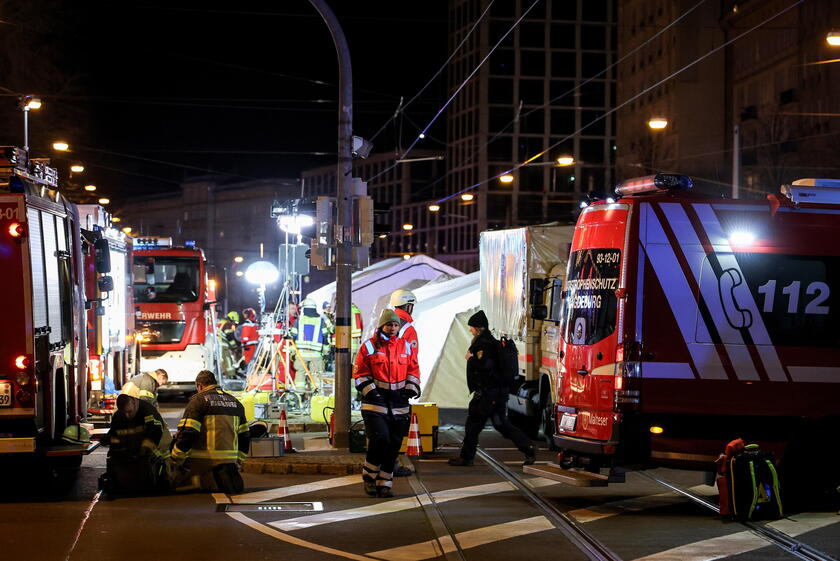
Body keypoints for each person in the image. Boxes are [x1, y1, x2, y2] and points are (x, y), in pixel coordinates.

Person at [449, 310, 536, 467]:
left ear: (479, 328)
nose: (470, 330)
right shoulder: (490, 342)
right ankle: (528, 447)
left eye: (472, 328)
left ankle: (466, 457)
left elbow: (486, 365)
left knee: (473, 424)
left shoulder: (483, 344)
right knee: (500, 424)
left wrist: (472, 358)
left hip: (488, 394)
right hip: (498, 393)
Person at [353, 309, 420, 498]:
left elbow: (414, 369)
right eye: (389, 324)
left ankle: (385, 482)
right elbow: (360, 374)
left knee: (394, 443)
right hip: (375, 402)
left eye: (396, 325)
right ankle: (369, 478)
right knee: (380, 438)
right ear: (381, 326)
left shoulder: (405, 346)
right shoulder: (368, 347)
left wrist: (411, 388)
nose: (392, 328)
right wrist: (372, 392)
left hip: (399, 402)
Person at [169, 370, 250, 493]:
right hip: (230, 462)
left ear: (199, 385)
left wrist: (175, 457)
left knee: (172, 484)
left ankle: (199, 480)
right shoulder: (236, 403)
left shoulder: (198, 401)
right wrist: (239, 460)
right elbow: (245, 435)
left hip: (202, 460)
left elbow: (189, 432)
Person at [100, 394, 168, 495]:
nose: (127, 416)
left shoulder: (148, 411)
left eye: (129, 412)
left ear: (134, 403)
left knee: (151, 461)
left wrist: (143, 450)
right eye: (124, 412)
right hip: (134, 448)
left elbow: (155, 433)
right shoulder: (119, 416)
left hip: (156, 445)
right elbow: (114, 434)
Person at [121, 369, 172, 458]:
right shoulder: (148, 382)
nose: (160, 385)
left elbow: (152, 405)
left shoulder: (147, 380)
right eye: (162, 382)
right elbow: (145, 402)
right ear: (160, 376)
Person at [289, 299, 330, 390]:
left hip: (301, 354)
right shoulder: (320, 321)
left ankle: (299, 397)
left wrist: (292, 352)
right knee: (316, 377)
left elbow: (292, 336)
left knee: (300, 375)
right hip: (316, 355)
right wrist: (327, 353)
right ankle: (316, 398)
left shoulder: (299, 320)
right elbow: (325, 338)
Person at [390, 289, 418, 358]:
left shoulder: (383, 324)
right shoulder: (408, 330)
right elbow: (412, 359)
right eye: (411, 306)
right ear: (408, 307)